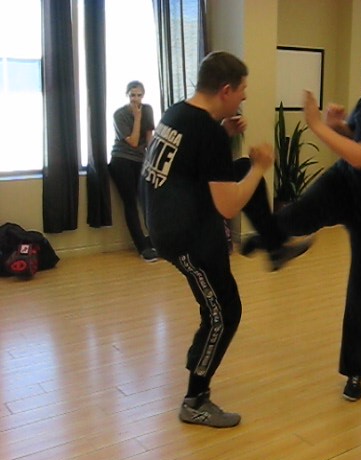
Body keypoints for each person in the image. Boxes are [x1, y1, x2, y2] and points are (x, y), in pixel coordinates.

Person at [247, 50, 361, 401]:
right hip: (344, 186)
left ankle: (355, 372)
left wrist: (316, 125)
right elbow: (356, 138)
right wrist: (336, 126)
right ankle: (272, 242)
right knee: (296, 215)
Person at [140, 51, 309, 428]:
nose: (245, 97)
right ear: (226, 90)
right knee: (224, 313)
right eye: (243, 90)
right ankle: (195, 400)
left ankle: (274, 246)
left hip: (173, 215)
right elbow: (229, 206)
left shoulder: (179, 112)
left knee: (242, 167)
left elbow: (192, 158)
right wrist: (262, 166)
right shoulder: (208, 133)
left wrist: (228, 138)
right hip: (185, 236)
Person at [109, 81, 158, 262]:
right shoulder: (119, 115)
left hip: (140, 161)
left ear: (143, 95)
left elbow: (149, 139)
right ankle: (142, 247)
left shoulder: (148, 109)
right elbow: (134, 142)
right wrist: (137, 118)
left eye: (139, 95)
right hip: (121, 160)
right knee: (130, 203)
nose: (136, 99)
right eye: (132, 95)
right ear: (127, 96)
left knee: (147, 200)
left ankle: (155, 241)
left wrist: (152, 162)